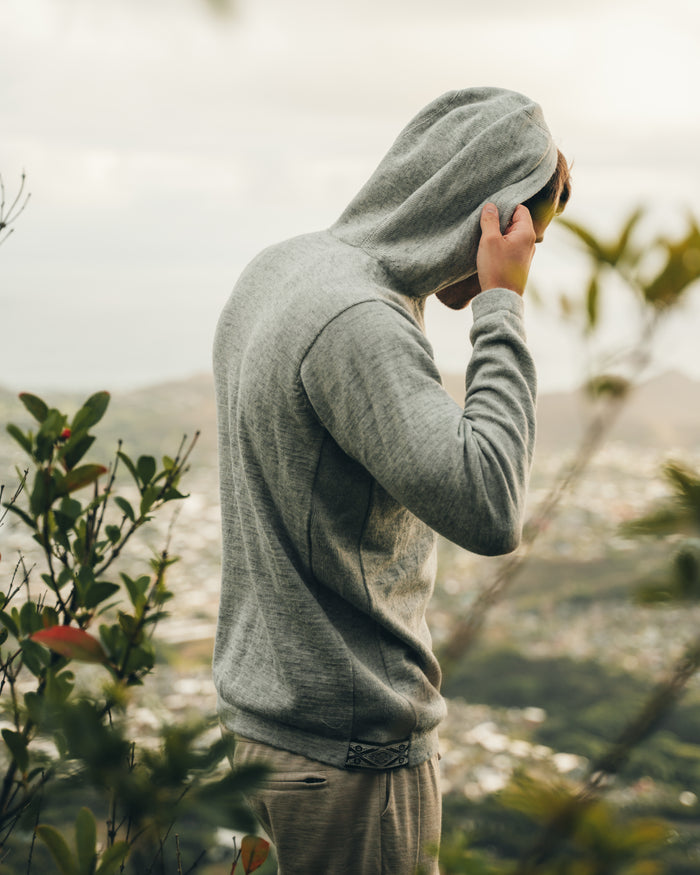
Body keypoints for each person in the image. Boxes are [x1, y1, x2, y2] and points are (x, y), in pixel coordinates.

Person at [212, 87, 571, 874]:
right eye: (529, 234)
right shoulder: (359, 321)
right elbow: (490, 507)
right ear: (488, 214)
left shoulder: (281, 267)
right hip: (349, 761)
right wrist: (503, 304)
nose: (518, 256)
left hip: (260, 738)